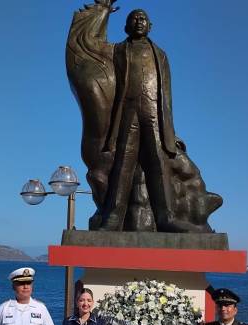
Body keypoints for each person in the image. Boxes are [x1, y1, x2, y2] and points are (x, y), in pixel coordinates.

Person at [66, 2, 222, 232]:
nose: (139, 21)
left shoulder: (161, 55)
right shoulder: (117, 51)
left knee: (159, 165)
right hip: (127, 115)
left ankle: (166, 217)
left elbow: (166, 97)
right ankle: (113, 217)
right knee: (122, 166)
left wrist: (170, 131)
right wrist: (102, 10)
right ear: (126, 27)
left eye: (143, 18)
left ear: (150, 26)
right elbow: (89, 43)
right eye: (134, 18)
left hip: (153, 115)